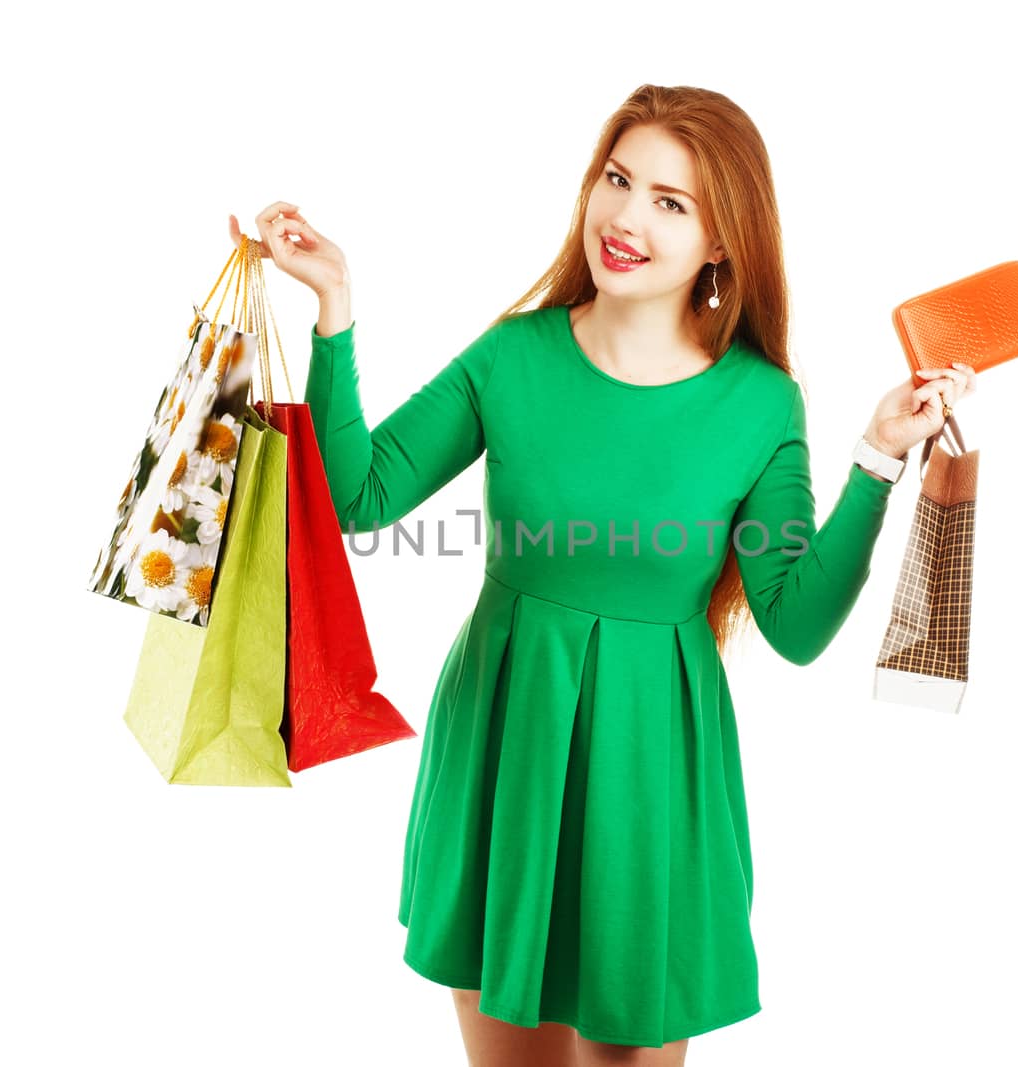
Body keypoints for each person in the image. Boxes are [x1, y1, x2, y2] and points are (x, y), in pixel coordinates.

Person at [232, 84, 974, 1067]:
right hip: (503, 739)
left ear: (722, 240)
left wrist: (877, 460)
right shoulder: (517, 354)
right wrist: (334, 307)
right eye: (618, 181)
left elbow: (793, 624)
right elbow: (359, 496)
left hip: (650, 766)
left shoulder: (758, 402)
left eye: (672, 201)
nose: (626, 217)